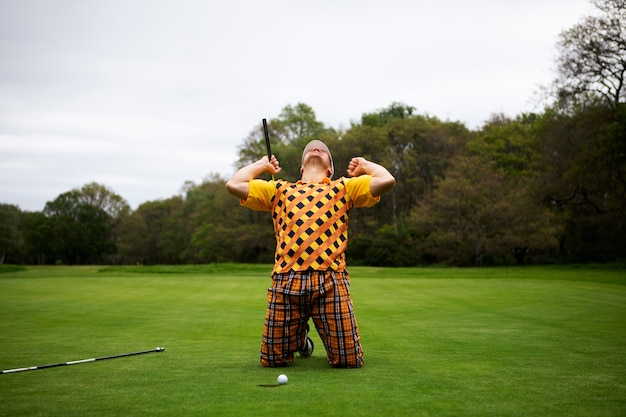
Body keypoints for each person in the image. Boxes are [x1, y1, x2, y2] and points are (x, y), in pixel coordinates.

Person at [226, 139, 395, 368]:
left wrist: (365, 165)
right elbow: (233, 184)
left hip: (331, 281)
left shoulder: (344, 187)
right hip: (286, 281)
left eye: (323, 150)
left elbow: (387, 180)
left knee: (348, 361)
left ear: (331, 169)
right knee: (272, 361)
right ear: (301, 168)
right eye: (310, 150)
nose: (316, 148)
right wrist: (261, 165)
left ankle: (298, 336)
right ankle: (300, 341)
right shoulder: (278, 189)